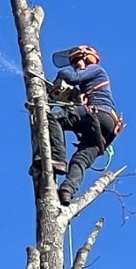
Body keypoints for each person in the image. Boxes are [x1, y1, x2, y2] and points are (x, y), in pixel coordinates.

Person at [47, 45, 123, 206]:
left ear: (86, 58)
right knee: (80, 160)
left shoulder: (96, 69)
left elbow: (73, 78)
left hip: (99, 114)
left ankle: (58, 158)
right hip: (105, 133)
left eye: (76, 61)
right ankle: (66, 192)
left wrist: (61, 73)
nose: (74, 65)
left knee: (52, 119)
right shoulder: (86, 89)